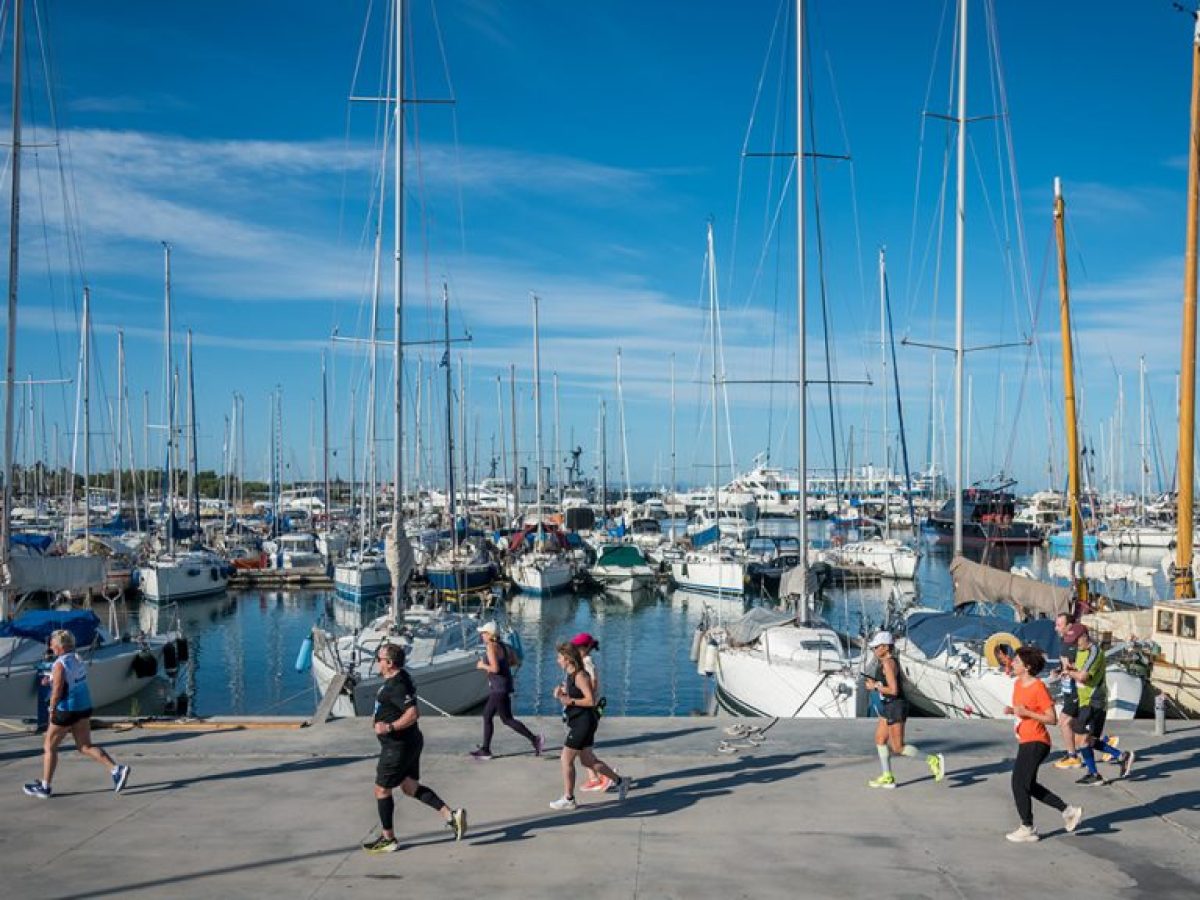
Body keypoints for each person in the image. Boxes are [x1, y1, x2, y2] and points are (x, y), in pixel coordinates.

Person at [363, 643, 467, 854]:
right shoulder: (401, 678)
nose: (377, 662)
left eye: (379, 659)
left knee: (382, 790)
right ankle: (451, 816)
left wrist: (389, 727)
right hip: (409, 742)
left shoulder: (397, 685)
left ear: (389, 663)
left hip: (397, 747)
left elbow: (412, 713)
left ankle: (388, 839)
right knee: (409, 787)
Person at [23, 629, 131, 799]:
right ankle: (116, 769)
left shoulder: (59, 664)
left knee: (49, 747)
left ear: (60, 646)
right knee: (85, 746)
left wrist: (51, 709)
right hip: (84, 706)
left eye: (52, 644)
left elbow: (57, 691)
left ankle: (45, 787)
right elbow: (70, 679)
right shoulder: (77, 658)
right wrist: (50, 679)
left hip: (66, 709)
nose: (50, 647)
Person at [1004, 645, 1083, 842]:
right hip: (1025, 739)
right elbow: (1022, 711)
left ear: (1028, 667)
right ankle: (1068, 811)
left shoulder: (1038, 687)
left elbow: (1052, 718)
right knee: (1028, 785)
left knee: (1018, 783)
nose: (1012, 663)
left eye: (1017, 661)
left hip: (1037, 741)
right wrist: (1013, 711)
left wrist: (1026, 712)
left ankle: (1027, 827)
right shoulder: (1018, 684)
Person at [549, 642, 629, 810]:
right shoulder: (570, 675)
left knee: (565, 759)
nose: (557, 660)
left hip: (583, 723)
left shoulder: (580, 676)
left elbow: (590, 700)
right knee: (587, 761)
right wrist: (561, 693)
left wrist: (569, 700)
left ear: (568, 659)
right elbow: (574, 695)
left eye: (559, 657)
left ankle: (569, 798)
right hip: (579, 721)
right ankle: (620, 782)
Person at [864, 631, 945, 789]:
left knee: (898, 747)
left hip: (896, 706)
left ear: (885, 647)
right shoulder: (885, 662)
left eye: (876, 647)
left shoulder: (888, 664)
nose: (874, 650)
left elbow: (893, 690)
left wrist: (875, 687)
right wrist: (876, 683)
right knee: (880, 739)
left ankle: (933, 760)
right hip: (888, 705)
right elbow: (887, 685)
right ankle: (887, 777)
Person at [1061, 623, 1134, 786]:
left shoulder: (1094, 652)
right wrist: (1071, 668)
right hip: (1085, 701)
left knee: (1082, 740)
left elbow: (1083, 677)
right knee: (1087, 740)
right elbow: (1080, 670)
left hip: (1094, 701)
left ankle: (1095, 773)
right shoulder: (1081, 651)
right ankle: (1121, 756)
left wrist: (1069, 672)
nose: (1075, 644)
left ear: (1084, 636)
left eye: (1076, 640)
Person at [470, 621, 542, 760]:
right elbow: (515, 661)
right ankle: (535, 739)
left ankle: (486, 750)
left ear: (489, 634)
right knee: (506, 719)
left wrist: (482, 665)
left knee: (488, 716)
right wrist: (503, 665)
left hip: (498, 688)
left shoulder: (491, 647)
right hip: (504, 686)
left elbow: (495, 668)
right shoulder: (503, 645)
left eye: (483, 633)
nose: (481, 635)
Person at [571, 632, 610, 792]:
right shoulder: (582, 661)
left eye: (578, 647)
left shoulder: (587, 662)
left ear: (587, 648)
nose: (575, 650)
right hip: (584, 709)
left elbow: (593, 684)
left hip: (587, 709)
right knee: (583, 748)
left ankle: (604, 776)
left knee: (582, 748)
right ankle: (594, 778)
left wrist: (580, 694)